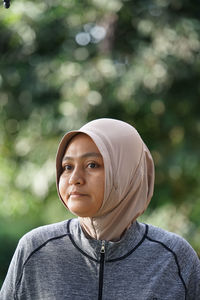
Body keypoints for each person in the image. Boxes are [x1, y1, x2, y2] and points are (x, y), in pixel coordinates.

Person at [0, 118, 200, 300]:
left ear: (127, 172)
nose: (74, 178)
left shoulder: (174, 258)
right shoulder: (35, 250)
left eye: (92, 165)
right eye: (67, 166)